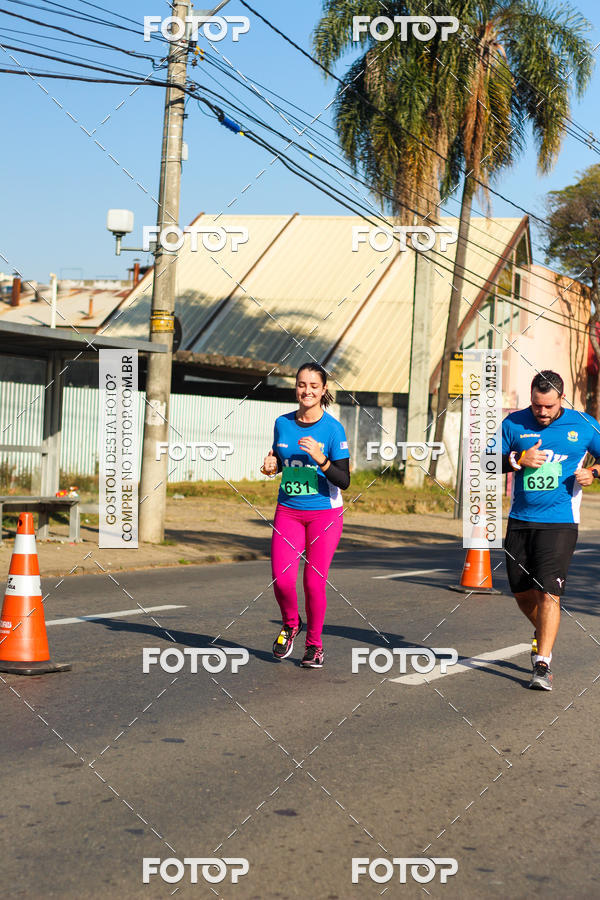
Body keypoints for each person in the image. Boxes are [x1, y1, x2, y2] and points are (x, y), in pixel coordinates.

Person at [502, 370, 600, 690]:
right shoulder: (514, 423)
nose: (541, 412)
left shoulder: (583, 425)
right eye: (535, 406)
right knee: (520, 592)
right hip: (520, 519)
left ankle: (542, 664)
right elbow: (485, 460)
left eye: (547, 406)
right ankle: (543, 631)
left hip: (560, 522)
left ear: (561, 399)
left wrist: (594, 471)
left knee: (549, 592)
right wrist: (518, 458)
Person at [261, 363, 350, 668]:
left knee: (313, 583)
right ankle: (290, 623)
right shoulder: (282, 423)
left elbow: (344, 480)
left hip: (324, 514)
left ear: (324, 390)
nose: (307, 390)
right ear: (295, 388)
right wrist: (273, 466)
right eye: (301, 384)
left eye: (314, 385)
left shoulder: (333, 429)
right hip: (288, 510)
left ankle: (314, 645)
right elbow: (280, 459)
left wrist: (321, 459)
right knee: (282, 580)